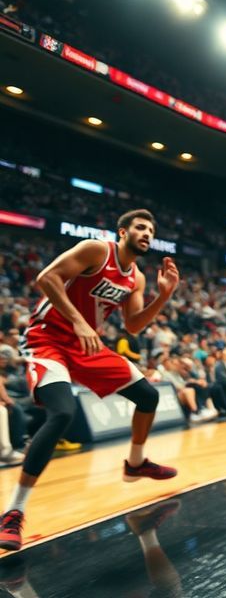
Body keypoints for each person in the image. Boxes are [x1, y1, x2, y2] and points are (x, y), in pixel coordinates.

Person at [0, 209, 180, 551]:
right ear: (122, 232)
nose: (146, 233)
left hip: (86, 345)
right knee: (62, 414)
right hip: (48, 338)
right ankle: (13, 512)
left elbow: (133, 325)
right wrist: (79, 321)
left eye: (151, 230)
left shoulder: (137, 278)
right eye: (140, 227)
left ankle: (136, 463)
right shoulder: (96, 250)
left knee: (148, 395)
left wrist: (163, 295)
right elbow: (47, 278)